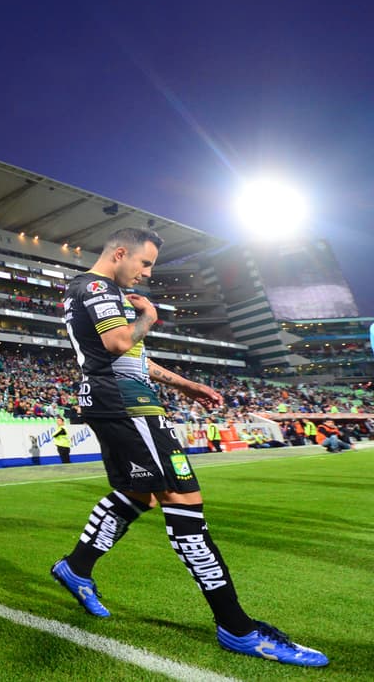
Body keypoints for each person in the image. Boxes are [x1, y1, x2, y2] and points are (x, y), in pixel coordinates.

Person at [50, 228, 327, 667]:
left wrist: (187, 384)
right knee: (183, 502)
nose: (146, 273)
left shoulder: (89, 291)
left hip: (118, 401)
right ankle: (237, 628)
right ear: (119, 254)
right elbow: (121, 343)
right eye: (144, 263)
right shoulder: (97, 286)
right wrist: (150, 319)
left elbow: (131, 357)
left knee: (136, 493)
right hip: (126, 406)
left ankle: (77, 568)